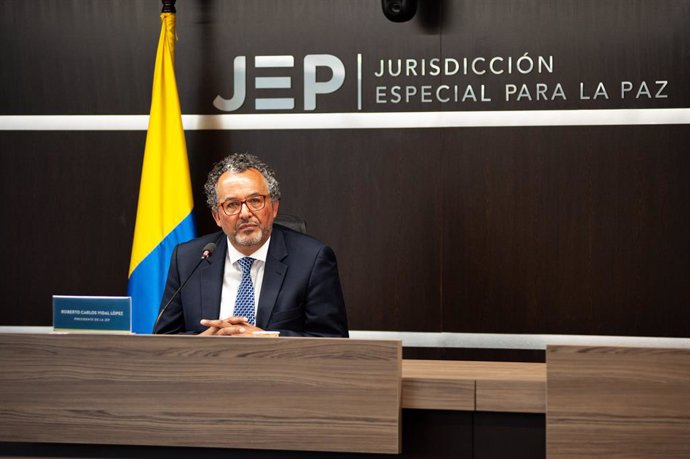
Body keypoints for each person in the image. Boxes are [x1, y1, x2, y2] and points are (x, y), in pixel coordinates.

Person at [154, 153, 349, 337]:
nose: (245, 213)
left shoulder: (312, 260)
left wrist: (264, 340)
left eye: (255, 201)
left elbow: (332, 340)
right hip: (208, 371)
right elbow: (163, 339)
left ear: (273, 208)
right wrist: (204, 344)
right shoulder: (188, 259)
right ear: (217, 217)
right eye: (231, 205)